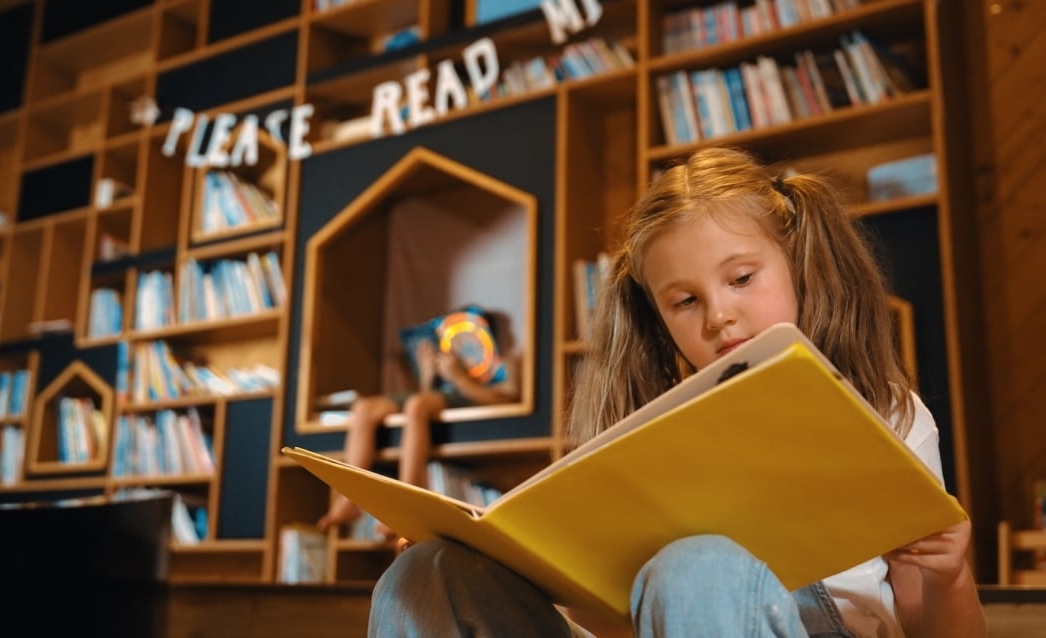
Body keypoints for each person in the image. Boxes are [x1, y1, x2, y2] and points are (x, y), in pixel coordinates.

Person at [367, 146, 986, 638]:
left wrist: (950, 578)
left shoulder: (890, 412)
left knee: (697, 569)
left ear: (797, 264)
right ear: (659, 317)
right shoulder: (648, 427)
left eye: (742, 278)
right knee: (423, 576)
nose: (719, 316)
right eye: (685, 301)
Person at [317, 311, 521, 533]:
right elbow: (427, 396)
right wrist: (427, 374)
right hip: (438, 397)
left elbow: (505, 401)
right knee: (363, 408)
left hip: (471, 394)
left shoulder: (503, 364)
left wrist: (459, 378)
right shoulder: (448, 358)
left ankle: (406, 503)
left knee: (417, 406)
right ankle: (349, 498)